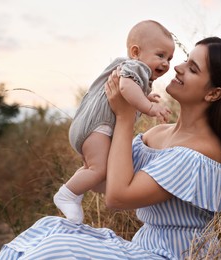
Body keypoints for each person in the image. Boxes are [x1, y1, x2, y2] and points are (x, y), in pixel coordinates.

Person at [0, 36, 221, 259]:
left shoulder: (202, 152)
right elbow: (105, 182)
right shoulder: (157, 133)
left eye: (193, 68)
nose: (177, 67)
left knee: (56, 249)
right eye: (185, 60)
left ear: (213, 93)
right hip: (142, 248)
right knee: (50, 228)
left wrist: (124, 117)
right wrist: (97, 126)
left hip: (172, 255)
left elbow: (117, 198)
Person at [53, 20, 175, 224]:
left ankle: (75, 192)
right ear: (136, 52)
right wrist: (150, 107)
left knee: (94, 169)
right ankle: (67, 194)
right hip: (97, 127)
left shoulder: (136, 72)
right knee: (98, 169)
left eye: (170, 58)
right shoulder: (136, 67)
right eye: (160, 55)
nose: (166, 63)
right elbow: (126, 88)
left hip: (91, 127)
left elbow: (129, 96)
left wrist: (144, 100)